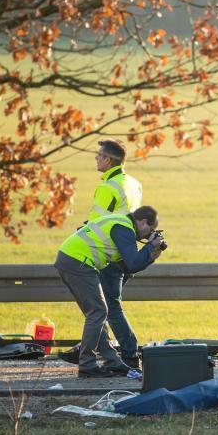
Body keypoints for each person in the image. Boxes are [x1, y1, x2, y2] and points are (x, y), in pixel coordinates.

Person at [59, 139, 143, 369]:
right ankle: (96, 350)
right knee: (104, 307)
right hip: (125, 250)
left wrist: (82, 234)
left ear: (108, 160)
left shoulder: (107, 187)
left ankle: (127, 354)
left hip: (107, 251)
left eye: (99, 155)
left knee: (105, 307)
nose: (96, 158)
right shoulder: (134, 183)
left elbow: (97, 223)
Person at [54, 206, 165, 377]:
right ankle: (87, 366)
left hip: (72, 259)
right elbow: (134, 263)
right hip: (78, 261)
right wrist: (150, 246)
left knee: (98, 312)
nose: (147, 235)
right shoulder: (124, 228)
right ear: (143, 222)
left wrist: (151, 256)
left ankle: (112, 361)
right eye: (150, 230)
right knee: (98, 311)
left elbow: (128, 266)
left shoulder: (121, 225)